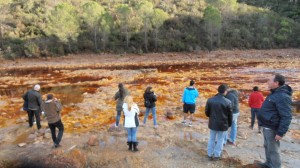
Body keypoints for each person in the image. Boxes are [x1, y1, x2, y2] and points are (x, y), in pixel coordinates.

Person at [257, 74, 292, 168]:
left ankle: (276, 166)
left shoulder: (282, 96)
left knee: (273, 149)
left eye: (270, 80)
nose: (268, 82)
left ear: (276, 83)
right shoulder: (274, 93)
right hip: (267, 125)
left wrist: (280, 133)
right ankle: (268, 163)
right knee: (267, 146)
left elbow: (287, 116)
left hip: (272, 127)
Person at [205, 84, 232, 160]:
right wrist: (229, 124)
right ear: (225, 91)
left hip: (213, 123)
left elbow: (207, 112)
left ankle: (209, 154)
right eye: (227, 91)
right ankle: (217, 155)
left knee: (211, 138)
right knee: (220, 140)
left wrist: (211, 117)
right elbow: (230, 116)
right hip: (223, 124)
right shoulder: (228, 102)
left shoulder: (210, 100)